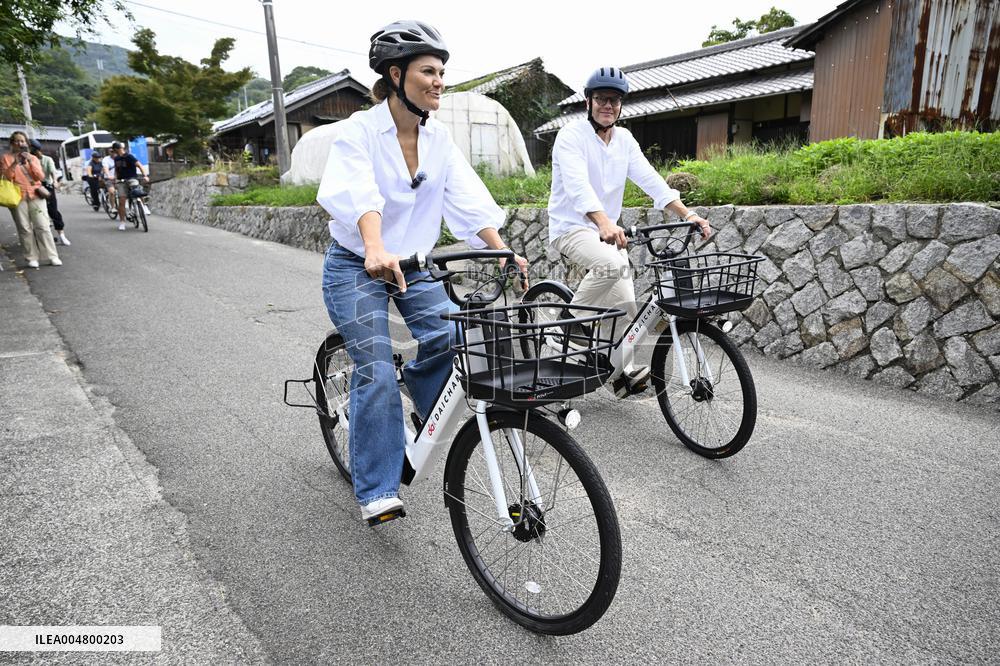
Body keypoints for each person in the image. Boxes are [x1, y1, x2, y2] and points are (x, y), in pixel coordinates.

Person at [316, 20, 527, 525]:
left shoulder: (439, 142)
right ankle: (377, 489)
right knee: (375, 372)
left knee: (460, 337)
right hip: (356, 264)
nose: (439, 81)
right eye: (428, 71)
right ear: (395, 74)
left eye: (442, 72)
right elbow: (357, 194)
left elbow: (470, 203)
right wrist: (374, 247)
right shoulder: (358, 133)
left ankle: (419, 390)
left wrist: (501, 251)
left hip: (414, 265)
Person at [547, 66, 712, 393]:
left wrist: (686, 213)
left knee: (626, 305)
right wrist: (605, 221)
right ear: (588, 102)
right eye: (602, 99)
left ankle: (617, 372)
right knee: (610, 266)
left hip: (606, 229)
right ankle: (566, 326)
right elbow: (579, 186)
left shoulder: (624, 140)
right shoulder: (571, 136)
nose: (608, 105)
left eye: (615, 100)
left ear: (621, 106)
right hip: (573, 226)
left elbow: (651, 179)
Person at [0, 131, 61, 267]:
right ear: (12, 143)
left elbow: (40, 176)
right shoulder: (5, 158)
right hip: (17, 196)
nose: (19, 144)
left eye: (22, 141)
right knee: (24, 228)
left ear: (26, 143)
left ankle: (52, 255)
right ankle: (31, 257)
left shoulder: (33, 158)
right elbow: (7, 177)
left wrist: (29, 161)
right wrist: (14, 164)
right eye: (16, 141)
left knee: (43, 226)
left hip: (35, 194)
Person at [30, 139, 69, 245]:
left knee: (53, 211)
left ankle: (61, 235)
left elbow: (52, 172)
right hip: (32, 187)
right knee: (36, 212)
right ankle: (40, 237)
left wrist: (55, 182)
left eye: (33, 150)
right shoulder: (28, 160)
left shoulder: (47, 159)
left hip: (46, 186)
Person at [109, 141, 149, 230]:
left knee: (138, 191)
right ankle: (122, 222)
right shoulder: (116, 159)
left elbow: (139, 165)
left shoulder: (129, 156)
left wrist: (145, 176)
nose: (113, 152)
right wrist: (115, 180)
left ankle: (144, 206)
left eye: (114, 150)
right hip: (121, 181)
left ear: (116, 149)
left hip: (132, 178)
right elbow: (116, 170)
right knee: (121, 201)